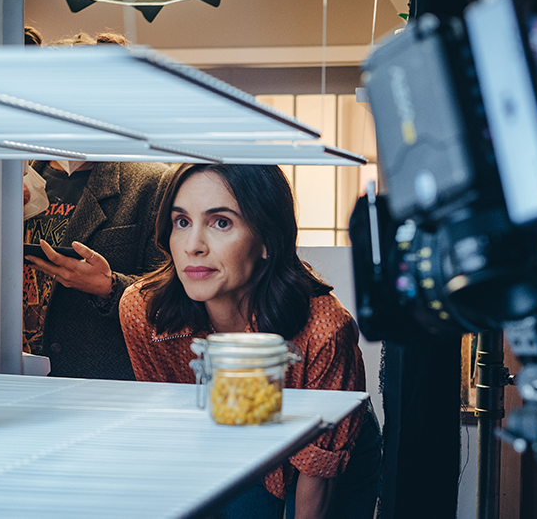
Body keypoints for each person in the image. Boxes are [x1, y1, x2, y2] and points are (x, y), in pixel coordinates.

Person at [119, 164, 381, 519]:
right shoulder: (144, 311)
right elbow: (174, 434)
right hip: (227, 438)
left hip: (327, 454)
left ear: (267, 241)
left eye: (221, 222)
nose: (193, 246)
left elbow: (316, 476)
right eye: (182, 222)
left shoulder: (323, 327)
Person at [22, 31, 174, 380]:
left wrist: (109, 287)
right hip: (13, 365)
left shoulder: (151, 182)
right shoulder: (19, 178)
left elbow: (174, 297)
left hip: (99, 376)